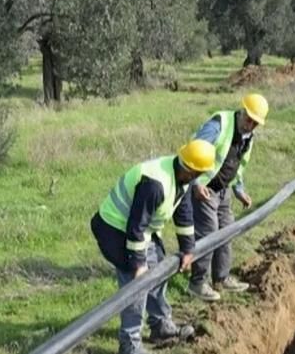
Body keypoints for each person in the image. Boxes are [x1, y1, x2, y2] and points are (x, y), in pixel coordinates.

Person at [90, 139, 216, 354]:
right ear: (193, 171)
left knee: (158, 268)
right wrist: (138, 264)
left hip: (138, 229)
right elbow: (136, 227)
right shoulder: (155, 184)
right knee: (136, 285)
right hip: (114, 229)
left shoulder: (182, 176)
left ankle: (160, 325)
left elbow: (183, 211)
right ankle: (130, 344)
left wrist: (188, 249)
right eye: (198, 174)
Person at [186, 94, 269, 302]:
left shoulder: (248, 137)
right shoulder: (219, 125)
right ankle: (197, 282)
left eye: (255, 123)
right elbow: (194, 152)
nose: (251, 125)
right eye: (249, 119)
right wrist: (195, 184)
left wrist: (239, 190)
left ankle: (221, 279)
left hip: (223, 190)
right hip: (204, 188)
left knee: (228, 229)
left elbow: (238, 165)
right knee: (209, 231)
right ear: (241, 112)